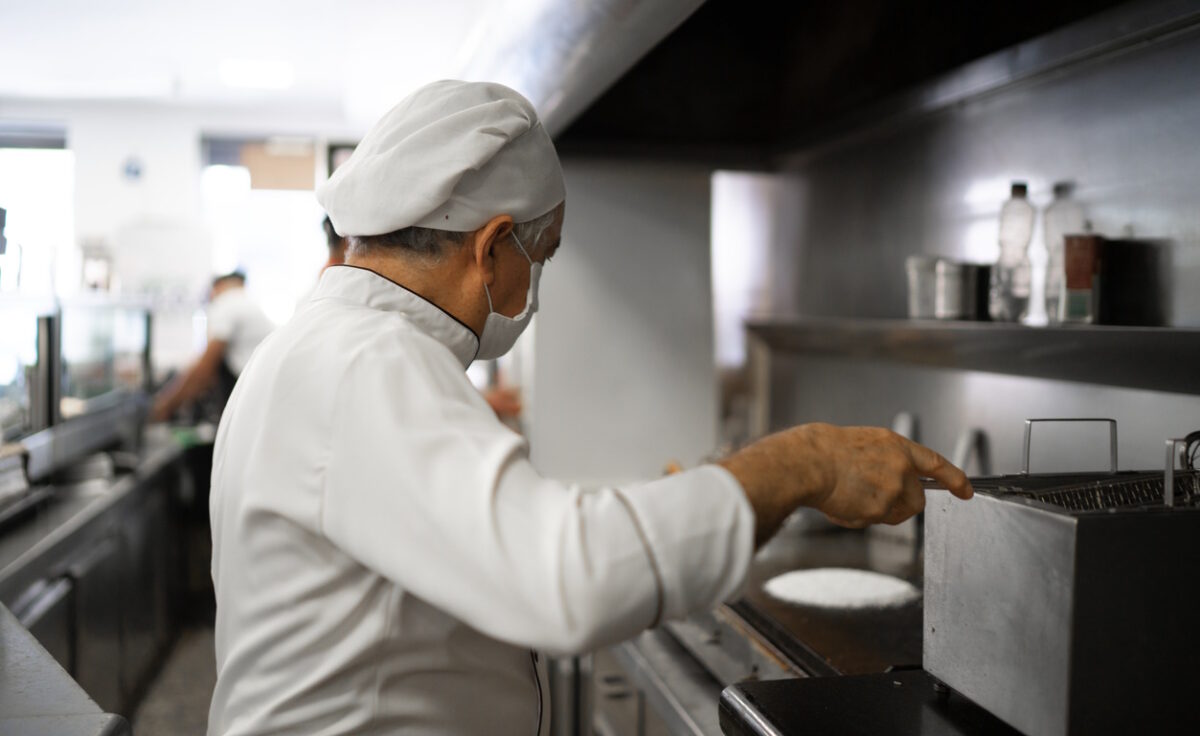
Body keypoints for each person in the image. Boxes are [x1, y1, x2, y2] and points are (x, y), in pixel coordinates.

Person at [207, 81, 973, 736]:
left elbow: (495, 539)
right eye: (543, 256)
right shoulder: (367, 362)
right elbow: (564, 580)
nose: (535, 286)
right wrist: (803, 462)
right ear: (493, 247)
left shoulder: (329, 347)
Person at [150, 272, 273, 423]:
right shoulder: (249, 304)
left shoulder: (226, 304)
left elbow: (204, 369)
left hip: (249, 401)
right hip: (261, 398)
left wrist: (165, 405)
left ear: (216, 288)